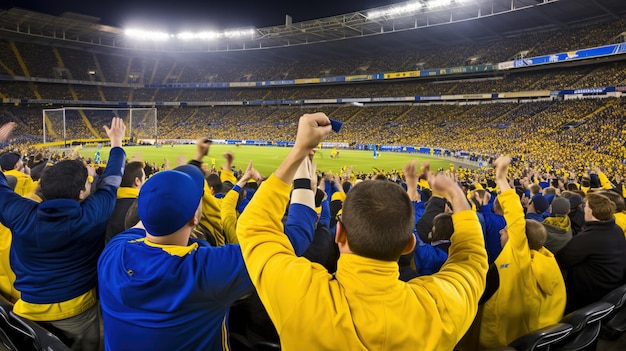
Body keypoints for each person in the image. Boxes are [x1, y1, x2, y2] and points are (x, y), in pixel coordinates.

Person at [236, 113, 488, 350]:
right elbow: (472, 260)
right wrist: (455, 193)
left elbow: (254, 226)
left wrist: (298, 151)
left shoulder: (300, 292)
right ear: (408, 245)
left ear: (339, 234)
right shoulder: (439, 307)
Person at [98, 157, 254, 351]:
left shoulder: (114, 250)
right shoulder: (207, 269)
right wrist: (300, 171)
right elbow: (292, 239)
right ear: (195, 218)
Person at [0, 117, 126, 350]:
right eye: (87, 184)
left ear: (42, 187)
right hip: (79, 314)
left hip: (28, 310)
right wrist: (116, 142)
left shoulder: (20, 213)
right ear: (80, 194)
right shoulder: (91, 214)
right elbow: (112, 180)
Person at [479, 156, 566, 349]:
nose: (502, 231)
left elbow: (516, 218)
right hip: (538, 337)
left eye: (506, 230)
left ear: (520, 240)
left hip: (507, 342)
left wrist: (501, 178)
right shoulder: (547, 259)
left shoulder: (520, 258)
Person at [556, 192, 626, 312]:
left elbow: (560, 260)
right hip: (610, 290)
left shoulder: (588, 239)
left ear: (591, 211)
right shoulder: (616, 229)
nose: (583, 209)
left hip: (589, 298)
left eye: (586, 206)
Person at [104, 161, 145, 244]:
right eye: (144, 179)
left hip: (108, 252)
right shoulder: (141, 208)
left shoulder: (107, 203)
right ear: (137, 181)